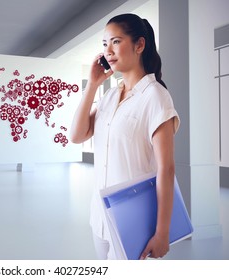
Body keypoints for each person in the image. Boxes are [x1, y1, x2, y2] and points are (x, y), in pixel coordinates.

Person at [70, 13, 180, 260]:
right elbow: (77, 136)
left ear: (139, 45)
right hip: (100, 217)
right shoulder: (110, 96)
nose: (108, 50)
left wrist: (162, 232)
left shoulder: (156, 96)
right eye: (104, 44)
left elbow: (166, 169)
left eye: (116, 41)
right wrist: (93, 85)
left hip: (134, 222)